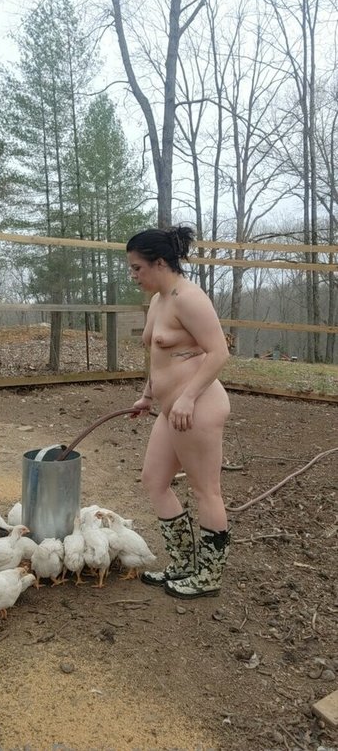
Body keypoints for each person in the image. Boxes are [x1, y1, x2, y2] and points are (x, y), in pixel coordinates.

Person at [127, 225, 231, 599]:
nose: (133, 275)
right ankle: (184, 564)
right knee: (154, 480)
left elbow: (219, 352)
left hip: (197, 407)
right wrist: (148, 395)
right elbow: (163, 357)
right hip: (171, 409)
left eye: (137, 268)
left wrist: (187, 397)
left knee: (206, 491)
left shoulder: (189, 298)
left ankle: (209, 576)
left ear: (159, 263)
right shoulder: (159, 300)